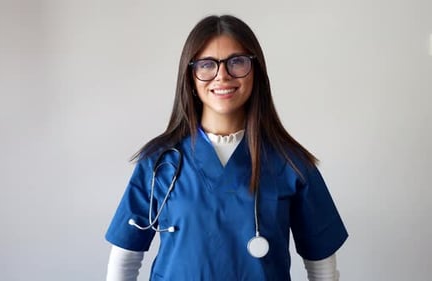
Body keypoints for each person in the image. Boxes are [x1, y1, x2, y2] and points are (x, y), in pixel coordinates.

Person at [105, 15, 348, 281]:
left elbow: (322, 265)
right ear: (190, 75)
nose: (222, 75)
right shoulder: (160, 161)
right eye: (207, 65)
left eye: (237, 62)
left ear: (256, 70)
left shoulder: (291, 164)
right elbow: (125, 259)